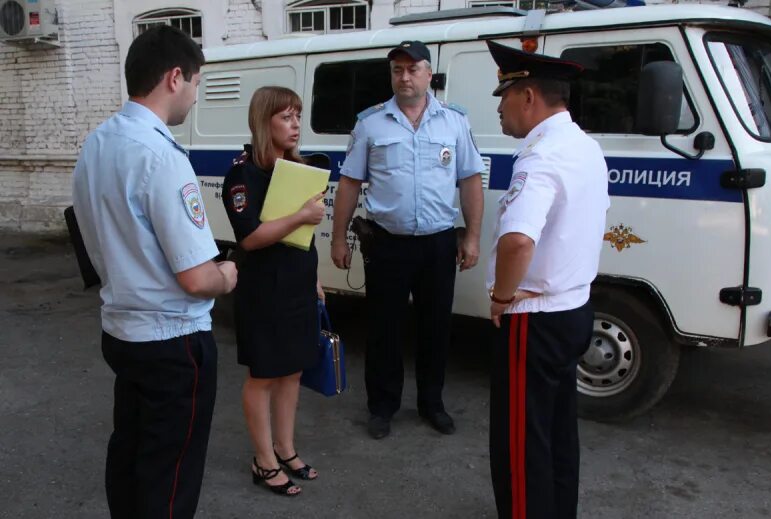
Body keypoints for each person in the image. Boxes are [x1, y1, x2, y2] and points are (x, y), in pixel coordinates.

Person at [71, 26, 238, 519]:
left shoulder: (96, 145)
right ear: (174, 78)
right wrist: (226, 276)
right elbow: (195, 277)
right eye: (196, 81)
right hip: (172, 339)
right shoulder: (162, 158)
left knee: (130, 454)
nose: (195, 93)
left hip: (122, 330)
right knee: (170, 475)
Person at [331, 41, 485, 439]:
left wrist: (472, 236)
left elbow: (469, 180)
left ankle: (432, 403)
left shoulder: (454, 122)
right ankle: (382, 407)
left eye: (412, 69)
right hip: (387, 244)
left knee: (436, 327)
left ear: (428, 74)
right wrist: (338, 239)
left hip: (437, 244)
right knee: (384, 329)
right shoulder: (370, 123)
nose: (404, 77)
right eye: (397, 70)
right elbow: (349, 183)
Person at [484, 40, 610, 519]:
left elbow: (518, 241)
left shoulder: (540, 157)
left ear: (529, 97)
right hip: (574, 310)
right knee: (558, 433)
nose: (500, 110)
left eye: (504, 98)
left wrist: (500, 297)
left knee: (520, 443)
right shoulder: (584, 145)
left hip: (533, 319)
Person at [221, 86, 325, 497]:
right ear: (265, 122)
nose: (296, 124)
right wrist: (301, 213)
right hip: (263, 290)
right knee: (263, 375)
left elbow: (303, 236)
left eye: (298, 115)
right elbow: (249, 238)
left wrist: (314, 280)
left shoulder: (296, 168)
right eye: (286, 116)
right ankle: (263, 461)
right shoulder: (242, 174)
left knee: (293, 371)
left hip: (298, 284)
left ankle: (285, 448)